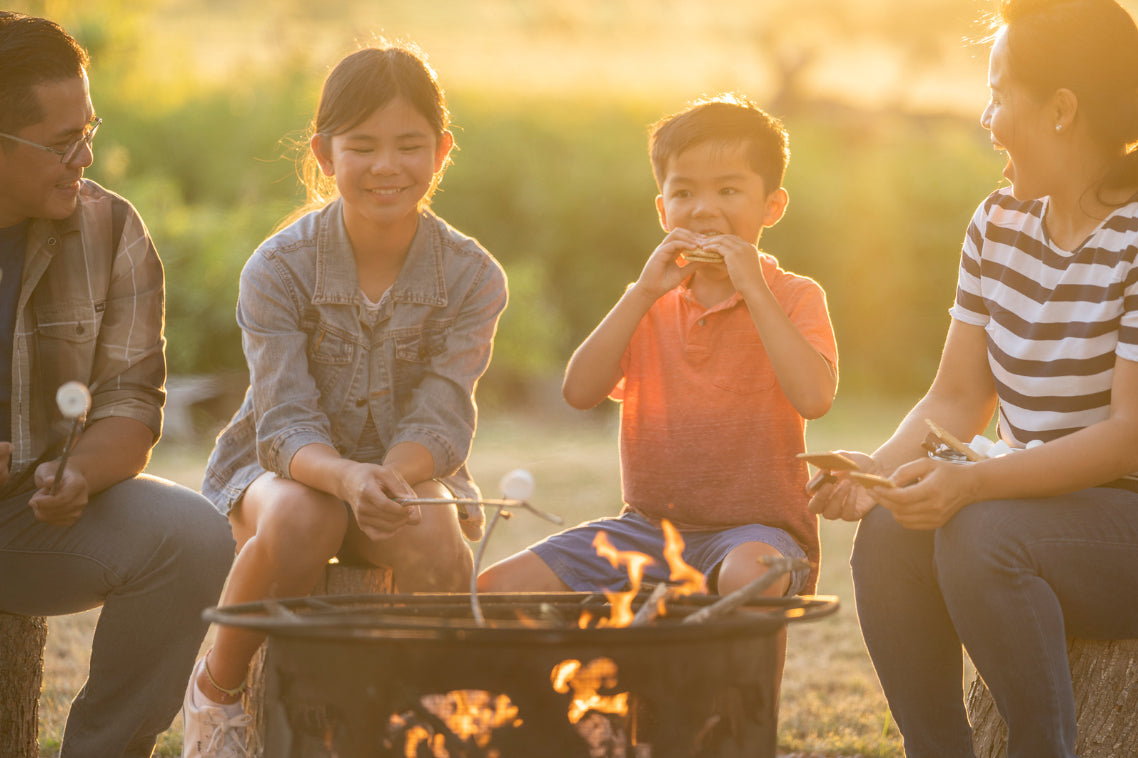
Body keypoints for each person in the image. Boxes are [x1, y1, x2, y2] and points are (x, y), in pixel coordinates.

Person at [808, 1, 1138, 755]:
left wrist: (976, 484)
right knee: (890, 535)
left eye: (998, 93)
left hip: (1123, 520)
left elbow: (1126, 440)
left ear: (1061, 108)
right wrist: (877, 475)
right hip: (1027, 507)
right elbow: (958, 396)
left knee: (984, 535)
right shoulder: (998, 223)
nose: (985, 117)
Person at [186, 42, 508, 756]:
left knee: (431, 533)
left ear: (441, 151)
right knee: (309, 516)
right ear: (326, 154)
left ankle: (434, 706)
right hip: (283, 474)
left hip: (406, 469)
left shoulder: (473, 276)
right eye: (363, 146)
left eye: (409, 146)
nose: (387, 166)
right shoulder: (278, 269)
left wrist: (386, 476)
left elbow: (443, 411)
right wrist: (346, 476)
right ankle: (219, 692)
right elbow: (285, 420)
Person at [479, 94, 838, 604]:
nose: (704, 209)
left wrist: (754, 289)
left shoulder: (795, 296)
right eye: (684, 192)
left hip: (757, 534)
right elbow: (579, 392)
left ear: (772, 207)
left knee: (750, 577)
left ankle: (745, 686)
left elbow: (814, 398)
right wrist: (644, 292)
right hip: (645, 531)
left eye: (729, 190)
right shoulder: (648, 300)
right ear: (662, 208)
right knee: (496, 588)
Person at [0, 12, 236, 758]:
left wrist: (76, 474)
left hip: (25, 525)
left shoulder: (112, 231)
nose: (85, 156)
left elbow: (133, 404)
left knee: (192, 535)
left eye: (89, 131)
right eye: (61, 142)